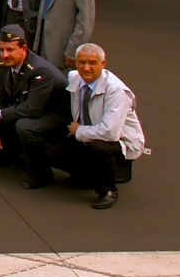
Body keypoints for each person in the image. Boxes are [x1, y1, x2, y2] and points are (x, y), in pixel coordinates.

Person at [49, 43, 144, 209]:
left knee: (98, 147)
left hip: (119, 140)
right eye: (82, 62)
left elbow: (110, 134)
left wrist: (78, 131)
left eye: (92, 63)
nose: (86, 68)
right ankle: (88, 176)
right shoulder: (74, 77)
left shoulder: (116, 91)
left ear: (103, 64)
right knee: (51, 154)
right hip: (89, 131)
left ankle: (108, 191)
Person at [0, 24, 72, 188]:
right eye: (2, 50)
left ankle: (41, 174)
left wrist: (0, 115)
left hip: (57, 116)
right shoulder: (2, 68)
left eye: (10, 50)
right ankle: (14, 156)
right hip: (31, 109)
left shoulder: (40, 71)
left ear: (24, 49)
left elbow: (33, 108)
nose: (5, 55)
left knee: (24, 126)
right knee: (0, 117)